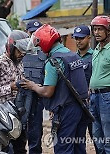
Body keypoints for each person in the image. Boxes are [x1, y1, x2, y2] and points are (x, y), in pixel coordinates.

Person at [21, 24, 89, 154]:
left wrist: (33, 86)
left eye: (40, 45)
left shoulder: (53, 62)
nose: (39, 48)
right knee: (78, 148)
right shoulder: (73, 55)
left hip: (66, 112)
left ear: (46, 42)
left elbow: (47, 92)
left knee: (63, 149)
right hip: (81, 109)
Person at [0, 30, 30, 154]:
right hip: (1, 115)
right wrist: (10, 87)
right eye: (19, 51)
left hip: (17, 112)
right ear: (11, 47)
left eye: (24, 51)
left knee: (20, 146)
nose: (22, 54)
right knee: (5, 148)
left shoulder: (19, 63)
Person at [73, 25, 98, 153]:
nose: (78, 41)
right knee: (78, 139)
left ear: (89, 38)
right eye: (76, 38)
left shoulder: (95, 56)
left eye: (81, 38)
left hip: (93, 103)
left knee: (98, 137)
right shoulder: (72, 58)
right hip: (77, 105)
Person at [24, 19, 45, 154]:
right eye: (31, 33)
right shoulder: (19, 52)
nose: (34, 36)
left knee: (35, 135)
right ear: (27, 33)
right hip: (20, 100)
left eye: (37, 33)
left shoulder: (46, 54)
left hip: (38, 100)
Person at [89, 15, 110, 153]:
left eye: (100, 29)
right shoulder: (96, 50)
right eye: (95, 29)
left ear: (108, 31)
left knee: (108, 135)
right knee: (97, 135)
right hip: (94, 97)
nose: (96, 32)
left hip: (106, 96)